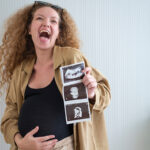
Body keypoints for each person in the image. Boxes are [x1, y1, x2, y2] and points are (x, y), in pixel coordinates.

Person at [0, 1, 111, 150]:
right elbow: (9, 118)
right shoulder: (21, 70)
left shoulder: (71, 59)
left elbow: (105, 94)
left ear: (58, 32)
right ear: (29, 29)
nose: (46, 24)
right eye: (39, 18)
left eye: (53, 21)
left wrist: (92, 93)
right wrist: (20, 142)